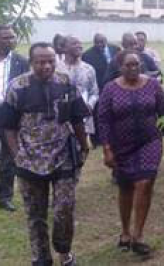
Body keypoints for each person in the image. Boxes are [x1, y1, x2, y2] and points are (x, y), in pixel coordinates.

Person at [0, 42, 90, 266]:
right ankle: (41, 257)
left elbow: (78, 117)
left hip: (63, 156)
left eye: (50, 60)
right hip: (29, 160)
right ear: (32, 63)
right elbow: (8, 126)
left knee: (65, 207)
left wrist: (83, 143)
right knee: (36, 213)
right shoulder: (17, 87)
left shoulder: (66, 83)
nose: (46, 66)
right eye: (40, 61)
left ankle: (64, 251)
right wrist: (16, 154)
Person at [98, 50, 164, 256]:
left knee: (144, 184)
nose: (133, 68)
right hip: (122, 146)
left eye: (136, 64)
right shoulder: (110, 89)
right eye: (128, 65)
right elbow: (103, 120)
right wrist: (107, 149)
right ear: (120, 67)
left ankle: (138, 236)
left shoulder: (153, 85)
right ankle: (125, 232)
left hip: (150, 141)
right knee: (126, 187)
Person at [0, 24, 30, 212]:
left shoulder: (21, 62)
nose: (11, 41)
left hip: (9, 114)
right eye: (6, 38)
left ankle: (5, 196)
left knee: (9, 155)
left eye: (12, 37)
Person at [57, 36, 99, 143]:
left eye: (80, 43)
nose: (79, 46)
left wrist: (90, 105)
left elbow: (94, 92)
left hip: (83, 117)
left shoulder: (89, 69)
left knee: (82, 151)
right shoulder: (57, 68)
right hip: (61, 118)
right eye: (74, 43)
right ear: (64, 48)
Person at [82, 33, 120, 147]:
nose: (100, 45)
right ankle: (97, 140)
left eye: (102, 42)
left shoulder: (116, 49)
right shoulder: (87, 55)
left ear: (106, 41)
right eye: (97, 42)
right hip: (98, 89)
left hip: (116, 88)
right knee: (97, 114)